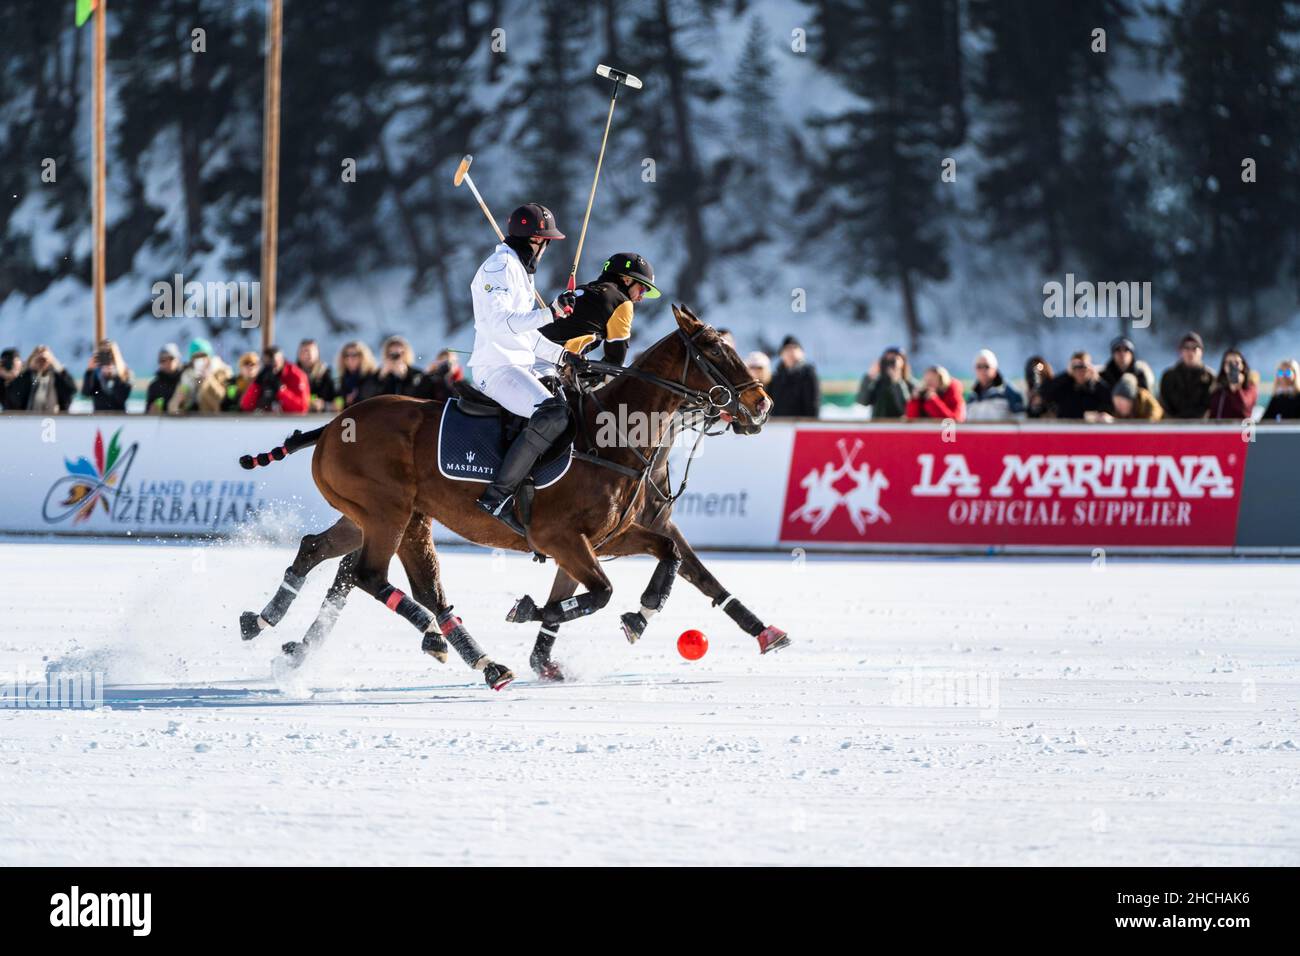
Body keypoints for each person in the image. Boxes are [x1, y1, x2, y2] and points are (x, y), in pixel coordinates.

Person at [468, 202, 584, 534]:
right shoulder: (499, 268)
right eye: (545, 241)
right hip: (497, 368)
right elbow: (503, 324)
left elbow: (527, 335)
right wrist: (551, 312)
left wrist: (564, 357)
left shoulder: (518, 270)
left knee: (571, 404)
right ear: (534, 241)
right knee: (553, 414)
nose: (546, 248)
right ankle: (498, 497)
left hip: (519, 364)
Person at [536, 251, 660, 369]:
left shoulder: (582, 289)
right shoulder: (621, 302)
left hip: (528, 348)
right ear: (627, 280)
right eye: (642, 290)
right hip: (546, 362)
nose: (641, 298)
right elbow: (614, 362)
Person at [1040, 351, 1112, 420]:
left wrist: (1096, 379)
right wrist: (1066, 374)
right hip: (1067, 429)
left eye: (1083, 367)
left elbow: (1111, 400)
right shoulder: (1064, 386)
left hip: (1090, 430)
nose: (1080, 371)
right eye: (1076, 367)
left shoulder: (1095, 388)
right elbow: (1044, 393)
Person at [240, 344, 310, 414]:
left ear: (282, 360)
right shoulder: (264, 375)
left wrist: (281, 390)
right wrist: (257, 383)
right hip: (267, 420)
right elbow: (246, 406)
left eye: (275, 363)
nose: (272, 367)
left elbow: (302, 408)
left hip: (291, 421)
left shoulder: (296, 375)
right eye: (267, 363)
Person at [1159, 331, 1213, 419]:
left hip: (1202, 428)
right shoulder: (1168, 377)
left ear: (1201, 352)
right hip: (1174, 428)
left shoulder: (1211, 378)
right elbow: (1163, 405)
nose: (1190, 352)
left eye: (1194, 348)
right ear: (1180, 351)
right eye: (1186, 347)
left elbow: (1211, 407)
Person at [168, 338, 231, 414]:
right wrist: (177, 405)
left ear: (209, 357)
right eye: (196, 357)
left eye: (203, 356)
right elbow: (175, 402)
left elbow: (224, 399)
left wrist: (208, 380)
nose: (200, 360)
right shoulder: (188, 376)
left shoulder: (221, 372)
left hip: (218, 419)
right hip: (196, 420)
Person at [7, 345, 77, 412]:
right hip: (27, 419)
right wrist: (28, 366)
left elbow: (72, 389)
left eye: (44, 360)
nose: (41, 362)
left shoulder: (56, 377)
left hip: (51, 420)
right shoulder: (26, 377)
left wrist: (58, 366)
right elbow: (12, 395)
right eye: (38, 360)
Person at [768, 335, 820, 418]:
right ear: (781, 354)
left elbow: (813, 405)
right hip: (778, 426)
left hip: (801, 426)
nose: (791, 352)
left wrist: (811, 425)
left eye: (794, 348)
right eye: (787, 349)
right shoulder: (776, 376)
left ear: (802, 353)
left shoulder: (808, 374)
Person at [855, 347, 914, 419]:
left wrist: (897, 383)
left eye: (894, 359)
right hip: (878, 426)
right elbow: (862, 401)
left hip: (899, 427)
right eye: (887, 360)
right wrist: (869, 378)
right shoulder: (878, 383)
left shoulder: (910, 384)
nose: (890, 363)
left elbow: (906, 409)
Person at [964, 349, 1024, 420]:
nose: (983, 370)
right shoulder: (972, 396)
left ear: (995, 369)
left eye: (986, 366)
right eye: (979, 366)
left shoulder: (1009, 392)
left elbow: (1021, 420)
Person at [360, 335, 424, 400]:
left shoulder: (416, 374)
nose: (395, 358)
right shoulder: (377, 374)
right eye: (391, 354)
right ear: (386, 354)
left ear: (406, 354)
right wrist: (381, 377)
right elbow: (365, 396)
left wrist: (405, 377)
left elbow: (419, 395)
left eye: (399, 354)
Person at [80, 339, 132, 411]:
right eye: (102, 355)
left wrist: (113, 377)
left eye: (109, 355)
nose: (106, 360)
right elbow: (86, 393)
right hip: (99, 417)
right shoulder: (95, 375)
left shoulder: (123, 373)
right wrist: (89, 371)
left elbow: (122, 397)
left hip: (119, 417)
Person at [1207, 348, 1257, 421]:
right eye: (1229, 363)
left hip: (1240, 430)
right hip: (1220, 429)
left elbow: (1245, 410)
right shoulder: (1218, 387)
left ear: (1242, 365)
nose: (1233, 366)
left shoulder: (1250, 387)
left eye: (1236, 363)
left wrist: (1237, 389)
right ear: (1224, 366)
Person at [334, 340, 377, 408]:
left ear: (362, 356)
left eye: (354, 355)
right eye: (346, 355)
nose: (350, 358)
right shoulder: (343, 377)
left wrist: (355, 398)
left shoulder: (372, 375)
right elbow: (337, 398)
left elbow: (369, 398)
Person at [297, 339, 336, 412]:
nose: (307, 355)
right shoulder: (293, 374)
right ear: (298, 354)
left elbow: (337, 401)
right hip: (295, 419)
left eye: (310, 351)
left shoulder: (326, 373)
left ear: (317, 353)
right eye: (303, 351)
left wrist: (324, 405)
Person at [146, 343, 183, 413]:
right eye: (163, 360)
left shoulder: (185, 380)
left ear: (178, 360)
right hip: (161, 423)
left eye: (171, 358)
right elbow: (147, 414)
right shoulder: (155, 386)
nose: (167, 363)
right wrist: (151, 410)